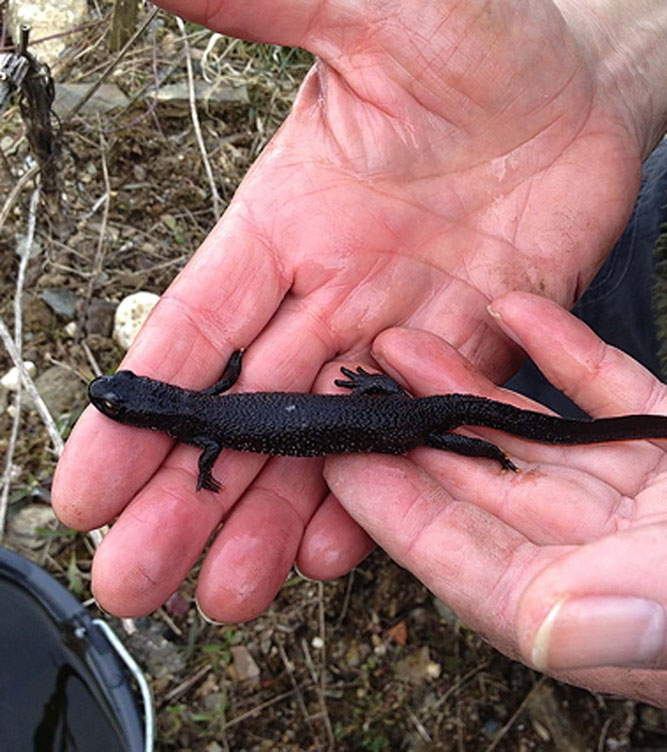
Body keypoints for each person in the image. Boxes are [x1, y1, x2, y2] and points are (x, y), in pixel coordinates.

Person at [52, 0, 667, 706]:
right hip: (393, 413)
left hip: (400, 420)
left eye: (121, 390)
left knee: (465, 428)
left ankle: (499, 451)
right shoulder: (202, 415)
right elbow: (223, 384)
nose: (121, 394)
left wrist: (207, 478)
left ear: (150, 406)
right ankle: (513, 444)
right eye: (120, 398)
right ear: (148, 410)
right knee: (477, 418)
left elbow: (216, 434)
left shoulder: (202, 427)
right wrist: (366, 386)